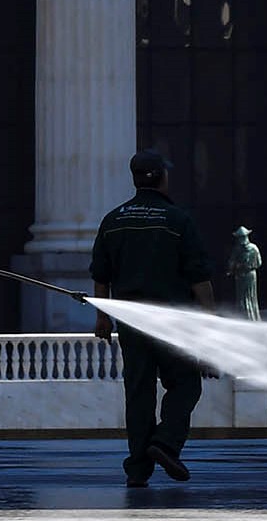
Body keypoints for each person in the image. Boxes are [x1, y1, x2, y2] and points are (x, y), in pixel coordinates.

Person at [90, 150, 216, 487]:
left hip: (131, 322)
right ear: (161, 175)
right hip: (175, 322)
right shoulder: (177, 220)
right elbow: (199, 277)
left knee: (139, 393)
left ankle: (138, 469)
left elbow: (101, 276)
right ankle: (165, 443)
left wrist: (103, 317)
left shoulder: (113, 220)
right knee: (186, 384)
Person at [226, 226, 263, 321]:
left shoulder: (237, 249)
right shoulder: (254, 248)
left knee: (242, 297)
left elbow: (231, 262)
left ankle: (244, 317)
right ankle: (253, 317)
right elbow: (259, 263)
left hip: (241, 275)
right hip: (251, 274)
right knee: (251, 296)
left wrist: (231, 270)